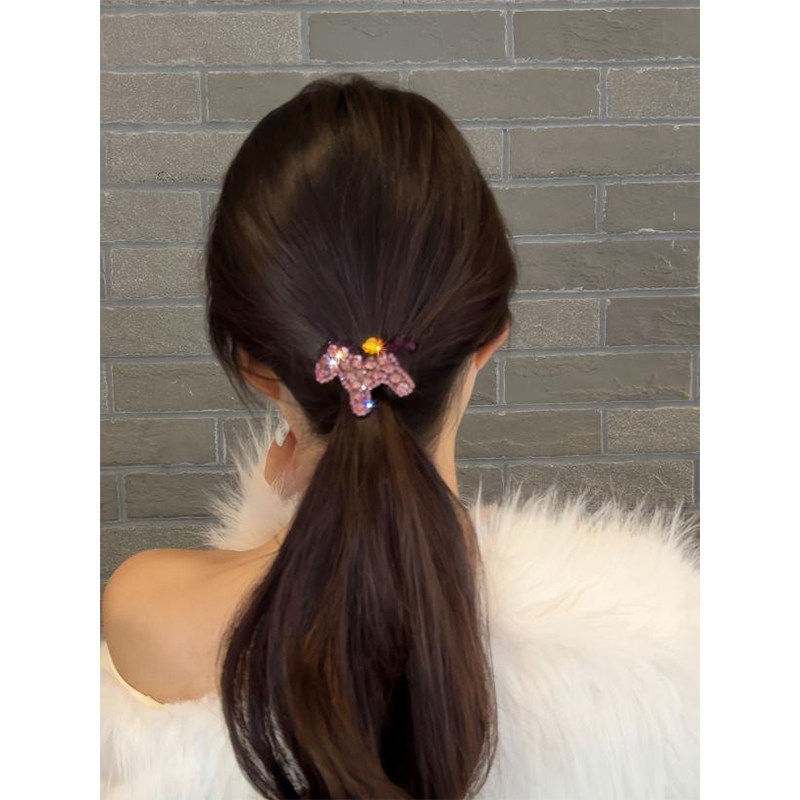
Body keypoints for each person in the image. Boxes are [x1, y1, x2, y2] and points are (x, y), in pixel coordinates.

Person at [100, 75, 699, 799]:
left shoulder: (146, 610)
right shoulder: (658, 637)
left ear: (256, 367)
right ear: (487, 340)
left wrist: (294, 498)